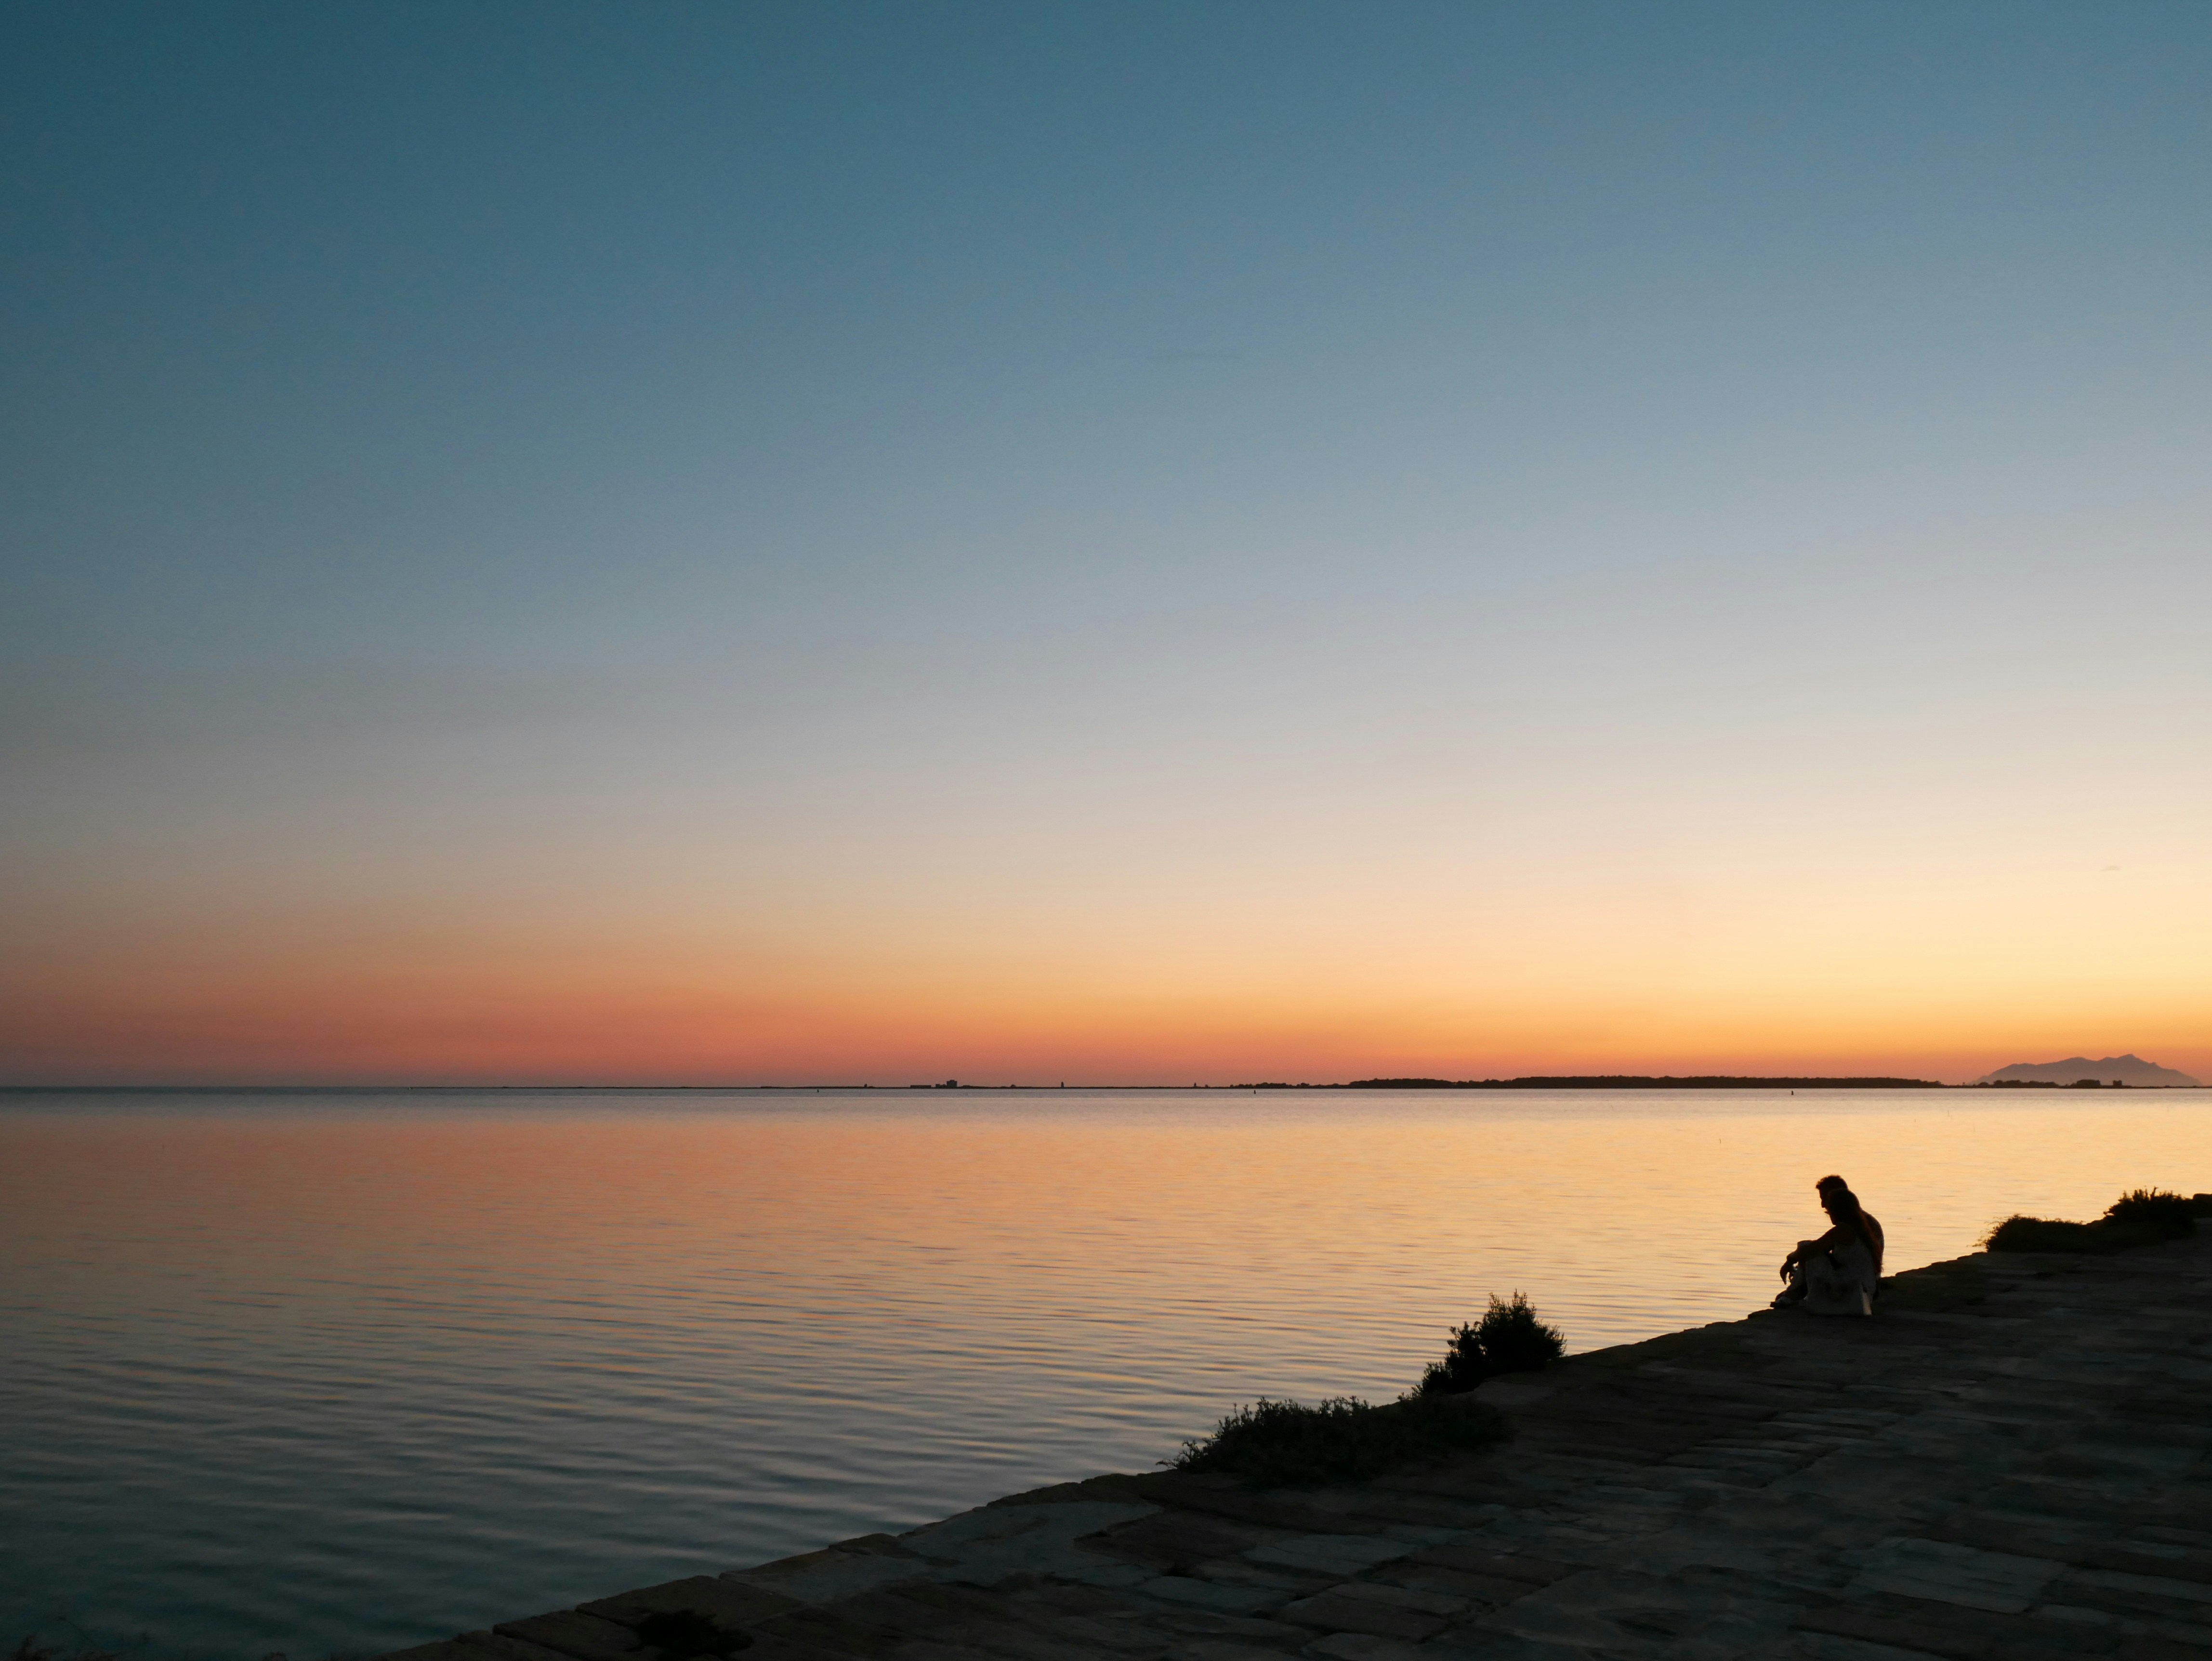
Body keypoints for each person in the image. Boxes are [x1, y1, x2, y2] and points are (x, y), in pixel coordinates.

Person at [1774, 1175, 1884, 1315]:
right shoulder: (1862, 1225)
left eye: (1826, 1202)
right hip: (1865, 1288)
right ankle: (1795, 1292)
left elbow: (1810, 1250)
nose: (1824, 1207)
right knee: (1812, 1251)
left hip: (1854, 1288)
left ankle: (1794, 1294)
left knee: (1811, 1253)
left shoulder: (1844, 1230)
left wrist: (1790, 1260)